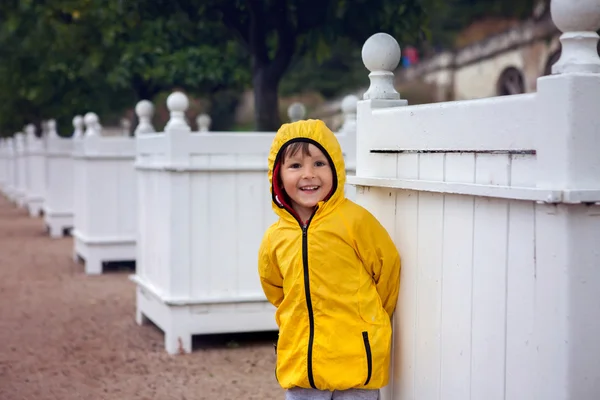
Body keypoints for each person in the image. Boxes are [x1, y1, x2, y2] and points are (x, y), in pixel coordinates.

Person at [258, 119, 401, 400]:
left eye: (319, 163)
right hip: (302, 366)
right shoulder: (275, 237)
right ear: (278, 175)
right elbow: (274, 286)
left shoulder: (355, 221)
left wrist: (368, 318)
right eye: (295, 166)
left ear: (335, 167)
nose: (309, 175)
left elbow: (387, 271)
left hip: (356, 363)